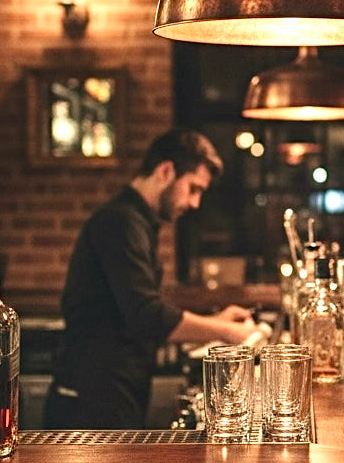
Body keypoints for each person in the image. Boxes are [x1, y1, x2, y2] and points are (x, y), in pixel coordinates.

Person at [43, 128, 259, 429]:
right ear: (166, 171)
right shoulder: (120, 222)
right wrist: (227, 332)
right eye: (193, 189)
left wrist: (217, 322)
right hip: (91, 398)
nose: (195, 203)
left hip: (110, 390)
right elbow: (145, 315)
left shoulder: (137, 222)